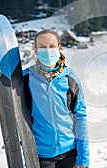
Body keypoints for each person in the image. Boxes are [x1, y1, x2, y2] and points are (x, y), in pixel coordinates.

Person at [23, 29, 89, 168]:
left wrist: (83, 159)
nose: (47, 51)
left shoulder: (70, 79)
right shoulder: (26, 79)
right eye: (42, 47)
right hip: (42, 156)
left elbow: (80, 117)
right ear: (35, 50)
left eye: (52, 46)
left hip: (69, 154)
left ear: (59, 48)